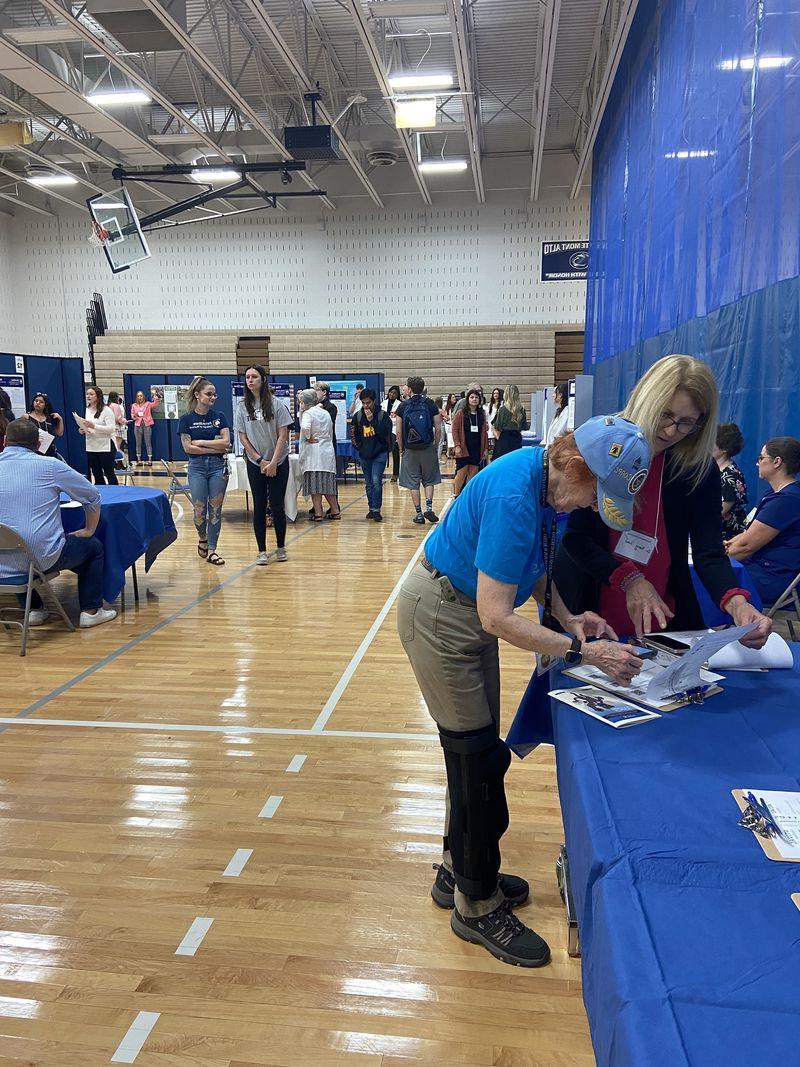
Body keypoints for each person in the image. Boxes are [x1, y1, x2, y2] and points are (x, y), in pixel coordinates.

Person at [397, 416, 651, 967]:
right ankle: (475, 903)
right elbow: (496, 616)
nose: (590, 506)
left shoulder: (541, 480)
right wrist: (582, 652)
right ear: (572, 463)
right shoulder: (518, 496)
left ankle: (457, 870)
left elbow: (531, 567)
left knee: (477, 759)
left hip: (461, 611)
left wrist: (567, 618)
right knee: (477, 764)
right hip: (444, 617)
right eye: (594, 493)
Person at [554, 355, 771, 645]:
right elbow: (575, 538)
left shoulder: (696, 469)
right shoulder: (606, 444)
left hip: (663, 614)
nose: (671, 431)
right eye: (666, 415)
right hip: (593, 605)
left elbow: (709, 553)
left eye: (686, 423)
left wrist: (736, 604)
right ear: (647, 401)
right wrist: (628, 578)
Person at [0, 418, 116, 628]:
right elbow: (92, 495)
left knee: (16, 541)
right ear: (38, 444)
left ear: (6, 441)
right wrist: (89, 530)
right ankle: (91, 611)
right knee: (93, 547)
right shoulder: (50, 466)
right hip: (41, 557)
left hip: (2, 563)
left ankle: (34, 609)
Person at [726, 437, 800, 604]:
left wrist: (712, 560)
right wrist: (724, 546)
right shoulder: (774, 495)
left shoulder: (786, 500)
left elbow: (746, 546)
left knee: (707, 577)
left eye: (761, 458)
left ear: (777, 462)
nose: (757, 463)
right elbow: (747, 536)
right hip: (762, 570)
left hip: (772, 577)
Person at [235, 364, 292, 565]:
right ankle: (261, 551)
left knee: (277, 505)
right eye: (248, 377)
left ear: (263, 379)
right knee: (259, 506)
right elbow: (243, 438)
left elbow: (283, 435)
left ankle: (281, 546)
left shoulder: (277, 405)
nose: (250, 380)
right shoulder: (242, 407)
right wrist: (260, 460)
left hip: (279, 461)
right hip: (255, 462)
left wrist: (274, 462)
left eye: (254, 377)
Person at [178, 376, 230, 566]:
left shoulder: (219, 417)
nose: (213, 397)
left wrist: (201, 442)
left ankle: (212, 550)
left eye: (214, 394)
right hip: (197, 467)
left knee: (215, 509)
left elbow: (226, 443)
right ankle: (202, 538)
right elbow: (188, 448)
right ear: (197, 395)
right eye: (209, 394)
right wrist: (212, 448)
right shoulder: (186, 419)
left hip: (218, 467)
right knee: (199, 510)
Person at [396, 376, 442, 525]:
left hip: (410, 449)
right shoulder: (430, 404)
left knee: (412, 482)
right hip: (427, 447)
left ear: (409, 389)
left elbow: (398, 432)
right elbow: (438, 427)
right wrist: (435, 445)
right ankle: (429, 506)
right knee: (429, 480)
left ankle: (419, 513)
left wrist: (401, 448)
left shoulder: (403, 406)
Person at [351, 388, 393, 522]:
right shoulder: (357, 416)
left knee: (376, 481)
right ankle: (371, 507)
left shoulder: (383, 415)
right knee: (368, 483)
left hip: (379, 453)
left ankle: (376, 509)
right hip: (364, 454)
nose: (365, 406)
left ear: (374, 401)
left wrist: (372, 421)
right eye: (363, 403)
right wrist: (359, 448)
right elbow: (354, 434)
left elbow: (385, 434)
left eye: (368, 403)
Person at [298, 387, 340, 521]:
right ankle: (335, 511)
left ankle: (318, 513)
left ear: (304, 402)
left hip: (313, 454)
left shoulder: (308, 414)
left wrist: (308, 437)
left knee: (315, 486)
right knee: (328, 485)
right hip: (326, 451)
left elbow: (305, 427)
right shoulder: (325, 412)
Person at [714, 422, 748, 538]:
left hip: (726, 538)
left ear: (724, 448)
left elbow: (716, 513)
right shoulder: (713, 469)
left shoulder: (731, 477)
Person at [451, 387, 488, 496]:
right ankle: (456, 495)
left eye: (476, 397)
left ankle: (466, 496)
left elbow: (484, 433)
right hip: (463, 447)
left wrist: (485, 448)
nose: (474, 399)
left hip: (476, 448)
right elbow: (455, 430)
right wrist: (457, 445)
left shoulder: (481, 414)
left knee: (472, 474)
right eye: (472, 397)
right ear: (468, 399)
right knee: (461, 473)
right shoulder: (460, 413)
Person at [81, 385, 118, 486]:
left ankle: (115, 493)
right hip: (91, 446)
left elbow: (111, 429)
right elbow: (87, 426)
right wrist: (82, 429)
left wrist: (94, 426)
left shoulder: (106, 410)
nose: (88, 396)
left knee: (109, 473)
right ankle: (101, 495)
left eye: (91, 394)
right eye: (87, 394)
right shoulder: (86, 410)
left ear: (98, 396)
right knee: (96, 474)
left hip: (105, 446)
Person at [492, 384, 527, 459]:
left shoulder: (503, 409)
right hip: (517, 438)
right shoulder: (522, 409)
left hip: (505, 438)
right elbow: (524, 426)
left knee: (503, 462)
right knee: (515, 460)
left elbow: (498, 426)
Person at [26, 393, 64, 457]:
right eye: (36, 401)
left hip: (49, 449)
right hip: (34, 450)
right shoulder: (27, 416)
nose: (38, 403)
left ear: (45, 405)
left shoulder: (50, 417)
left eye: (41, 402)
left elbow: (60, 433)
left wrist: (60, 419)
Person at [130, 389, 159, 465]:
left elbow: (155, 404)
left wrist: (154, 395)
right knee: (138, 443)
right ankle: (139, 460)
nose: (140, 397)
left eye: (141, 396)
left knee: (148, 442)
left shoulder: (148, 404)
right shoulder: (134, 405)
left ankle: (150, 459)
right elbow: (132, 415)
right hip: (138, 425)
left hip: (147, 425)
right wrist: (134, 417)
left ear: (143, 397)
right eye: (138, 396)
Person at [382, 385, 402, 482]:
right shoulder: (383, 403)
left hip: (395, 429)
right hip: (384, 430)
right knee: (381, 452)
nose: (392, 394)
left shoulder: (400, 404)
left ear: (397, 395)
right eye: (390, 392)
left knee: (395, 453)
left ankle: (395, 474)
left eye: (394, 393)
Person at [442, 393, 458, 458]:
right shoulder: (445, 405)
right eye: (453, 397)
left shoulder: (456, 406)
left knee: (454, 437)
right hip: (448, 424)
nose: (454, 399)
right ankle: (448, 452)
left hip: (454, 423)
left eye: (454, 397)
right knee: (449, 437)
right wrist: (446, 419)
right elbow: (443, 414)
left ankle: (453, 451)